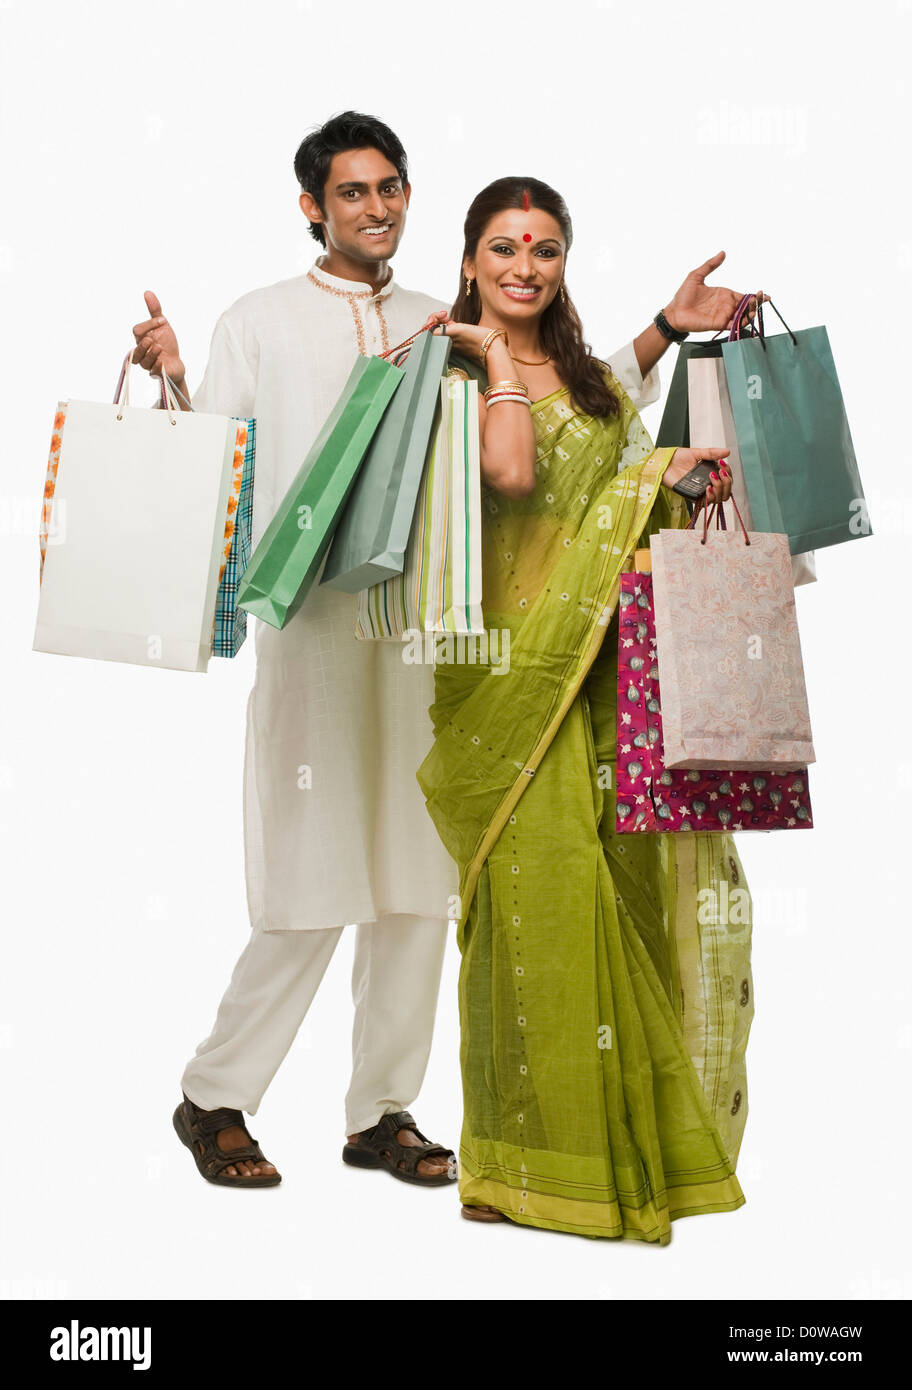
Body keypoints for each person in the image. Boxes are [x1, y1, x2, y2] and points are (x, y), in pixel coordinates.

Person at [131, 113, 748, 1191]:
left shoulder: (442, 317)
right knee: (313, 874)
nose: (377, 208)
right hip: (315, 631)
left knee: (419, 879)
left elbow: (564, 409)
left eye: (392, 189)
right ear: (313, 205)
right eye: (355, 192)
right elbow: (212, 466)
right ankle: (215, 1094)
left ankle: (382, 1110)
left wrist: (657, 333)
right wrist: (177, 379)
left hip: (431, 631)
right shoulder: (258, 322)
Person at [417, 175, 752, 1243]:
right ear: (469, 257)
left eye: (547, 249)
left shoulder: (577, 370)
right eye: (505, 247)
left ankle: (616, 1149)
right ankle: (509, 1161)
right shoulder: (454, 369)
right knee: (523, 911)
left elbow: (598, 428)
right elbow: (515, 479)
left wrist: (666, 339)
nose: (525, 266)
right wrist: (497, 356)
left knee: (618, 891)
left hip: (603, 670)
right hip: (506, 675)